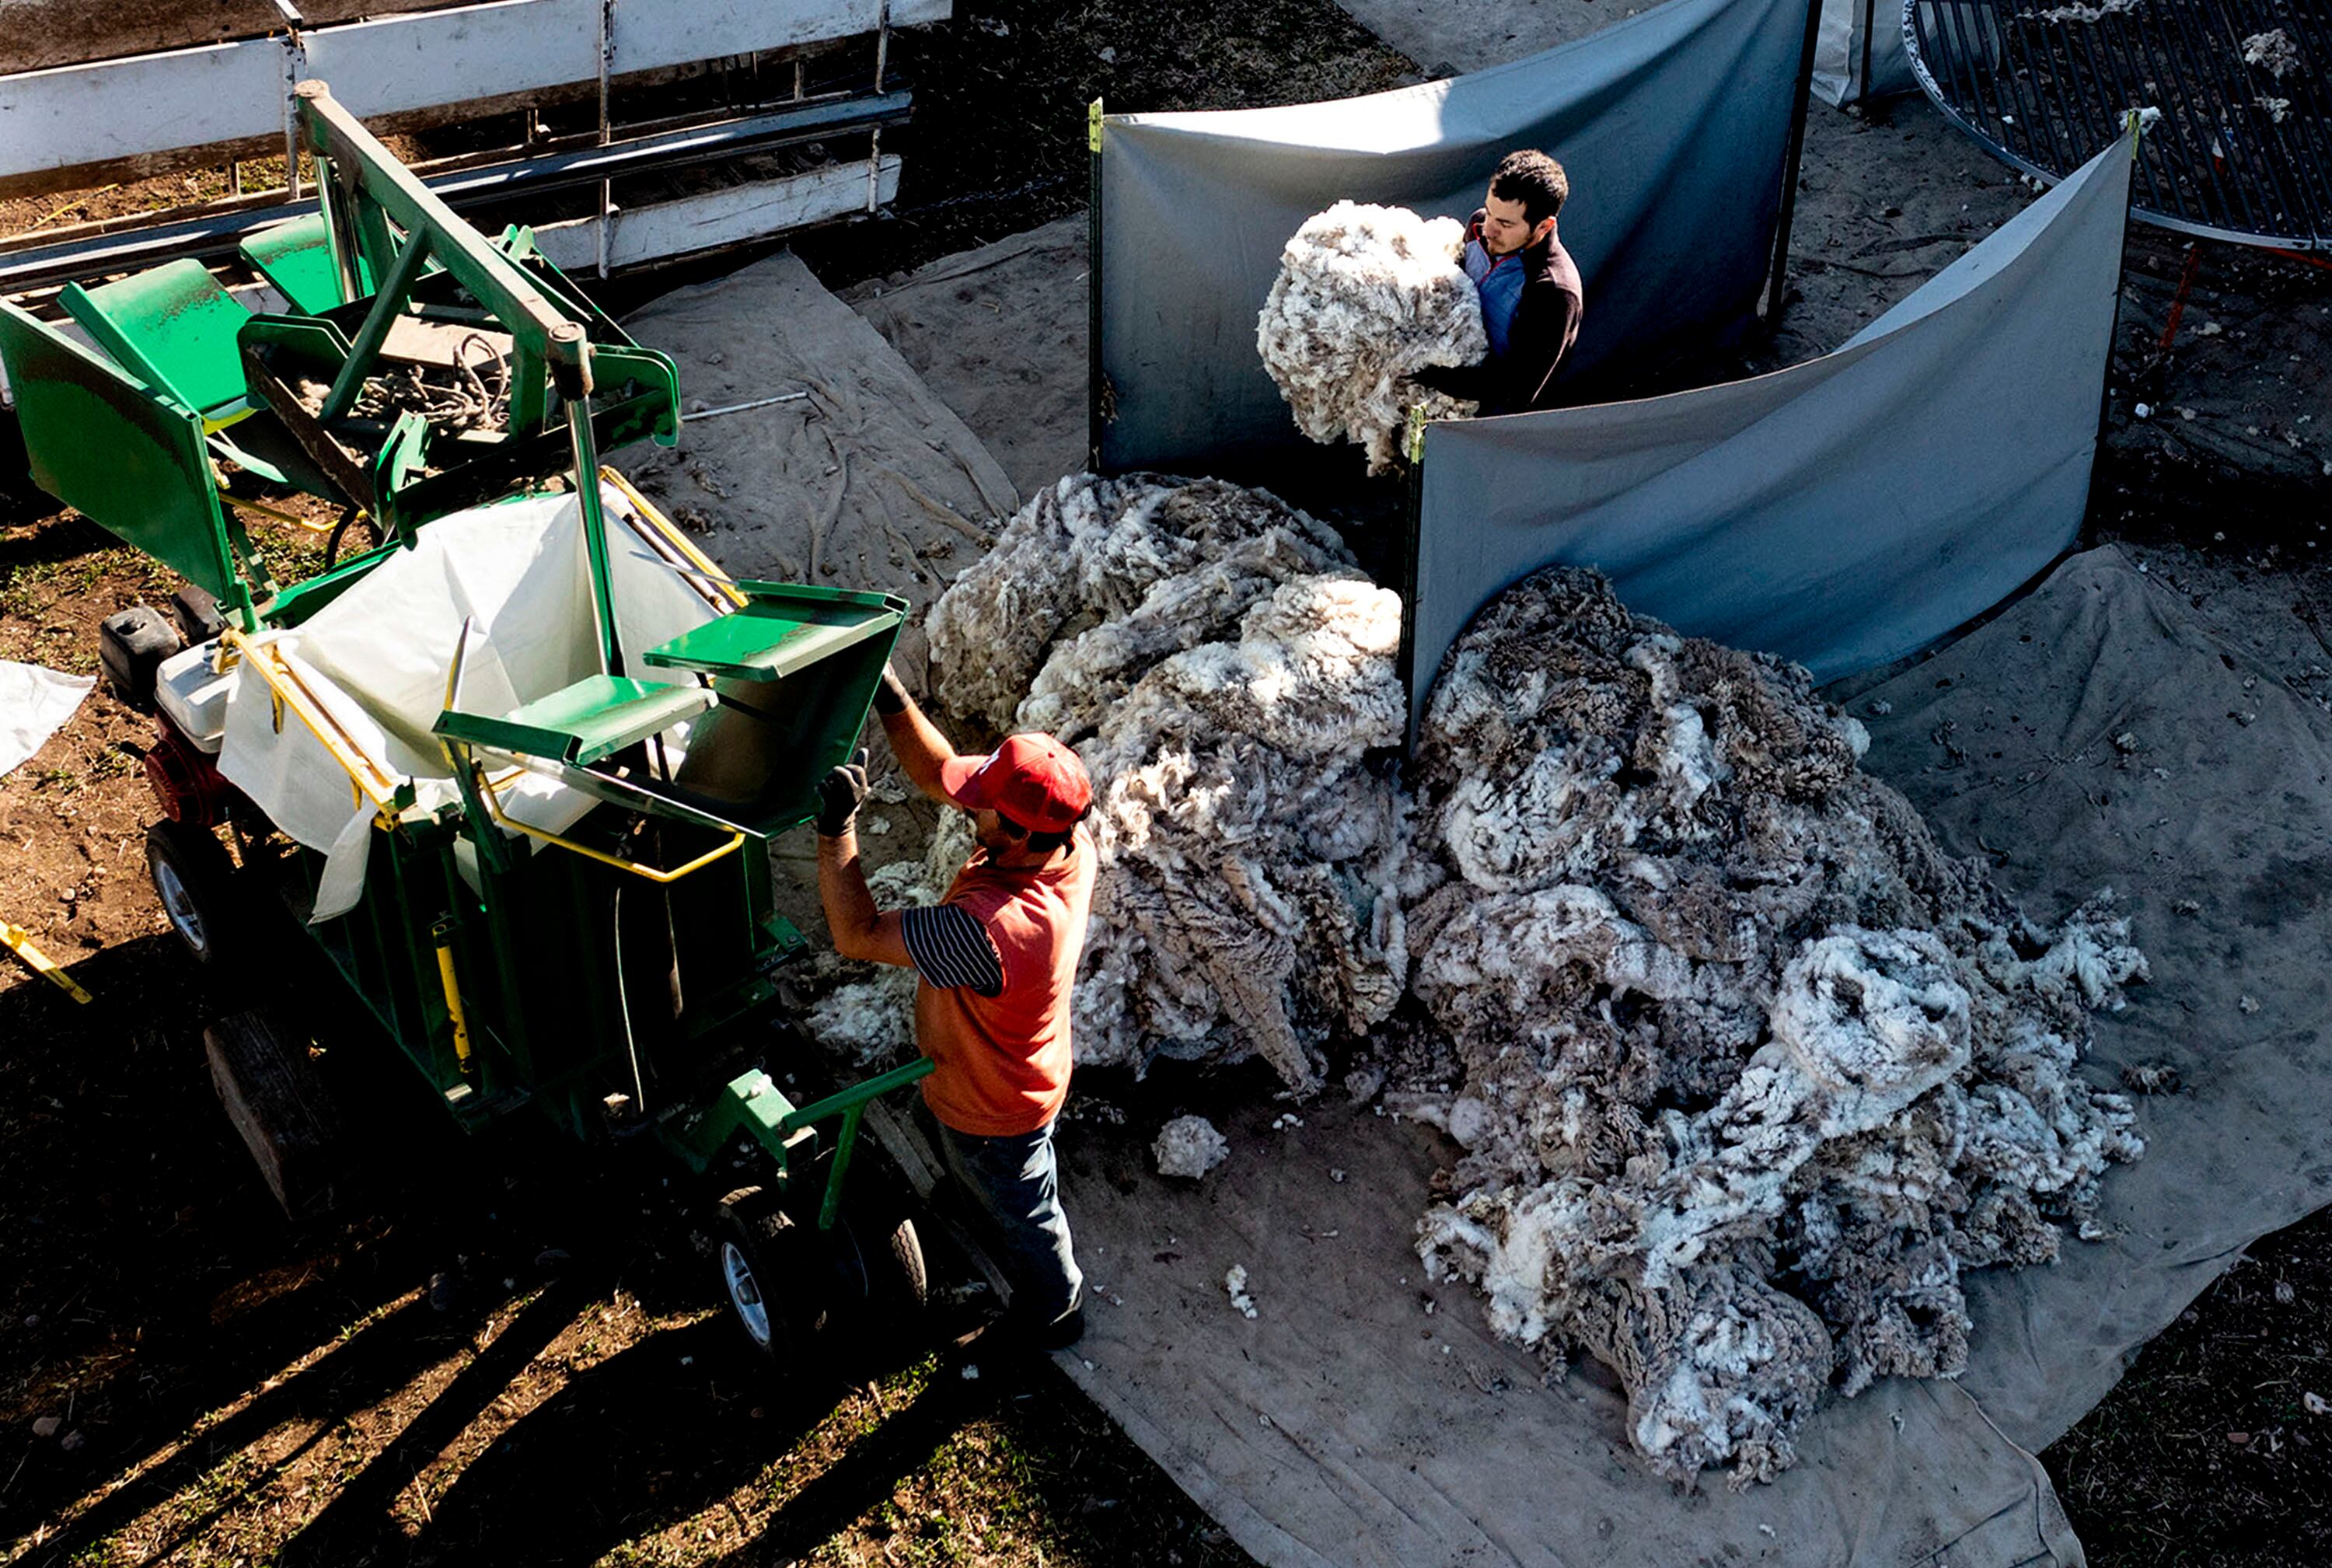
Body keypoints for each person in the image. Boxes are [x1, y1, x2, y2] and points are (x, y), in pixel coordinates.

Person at [814, 667, 1098, 1350]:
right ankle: (976, 1207)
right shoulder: (1067, 843)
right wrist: (891, 696)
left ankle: (1056, 1310)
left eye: (984, 809)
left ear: (1022, 835)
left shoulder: (993, 928)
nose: (971, 810)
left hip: (995, 1105)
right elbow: (943, 771)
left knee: (1026, 1207)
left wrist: (835, 833)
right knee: (992, 1183)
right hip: (1010, 1065)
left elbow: (857, 935)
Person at [1412, 148, 1585, 416]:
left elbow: (1516, 386)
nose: (1489, 229)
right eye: (1490, 211)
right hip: (1438, 389)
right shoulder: (1478, 226)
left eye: (1505, 223)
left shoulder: (1554, 293)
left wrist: (1424, 370)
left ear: (1544, 227)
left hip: (1488, 420)